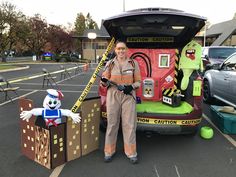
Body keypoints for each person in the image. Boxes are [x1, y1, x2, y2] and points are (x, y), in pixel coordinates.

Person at [100, 40, 141, 164]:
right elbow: (104, 82)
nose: (121, 51)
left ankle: (131, 153)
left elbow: (139, 82)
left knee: (129, 124)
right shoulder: (110, 64)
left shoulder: (133, 63)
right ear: (115, 50)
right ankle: (109, 151)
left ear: (126, 49)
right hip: (113, 95)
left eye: (123, 48)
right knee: (112, 123)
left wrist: (131, 86)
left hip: (128, 96)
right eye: (118, 49)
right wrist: (104, 82)